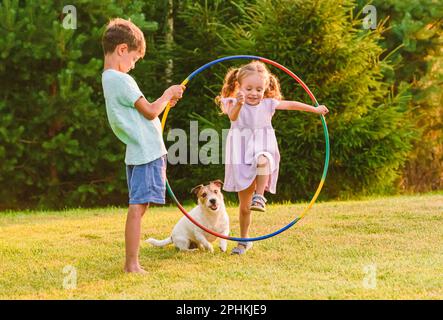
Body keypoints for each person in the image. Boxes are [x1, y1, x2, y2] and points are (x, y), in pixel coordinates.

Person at [216, 60, 329, 255]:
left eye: (259, 89)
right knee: (244, 208)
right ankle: (244, 241)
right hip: (240, 151)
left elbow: (292, 105)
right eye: (249, 88)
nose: (254, 93)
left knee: (263, 159)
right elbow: (233, 117)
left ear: (266, 88)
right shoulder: (232, 102)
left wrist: (315, 110)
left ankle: (260, 196)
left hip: (262, 145)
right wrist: (240, 103)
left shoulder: (268, 104)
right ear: (239, 86)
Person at [101, 18, 185, 273]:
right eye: (135, 59)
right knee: (137, 207)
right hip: (145, 151)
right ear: (122, 50)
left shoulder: (109, 78)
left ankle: (132, 262)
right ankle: (132, 264)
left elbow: (142, 113)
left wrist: (163, 102)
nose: (133, 65)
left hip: (139, 150)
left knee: (140, 205)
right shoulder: (121, 79)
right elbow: (149, 112)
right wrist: (167, 94)